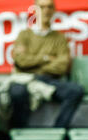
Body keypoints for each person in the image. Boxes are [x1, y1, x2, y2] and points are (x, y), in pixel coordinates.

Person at [6, 0, 83, 129]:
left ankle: (58, 130)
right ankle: (19, 131)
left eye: (49, 7)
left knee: (75, 90)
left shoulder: (60, 38)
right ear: (35, 9)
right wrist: (47, 58)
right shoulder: (24, 35)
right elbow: (21, 61)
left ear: (54, 11)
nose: (46, 10)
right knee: (17, 91)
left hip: (50, 80)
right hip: (25, 79)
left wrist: (33, 63)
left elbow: (61, 67)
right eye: (42, 7)